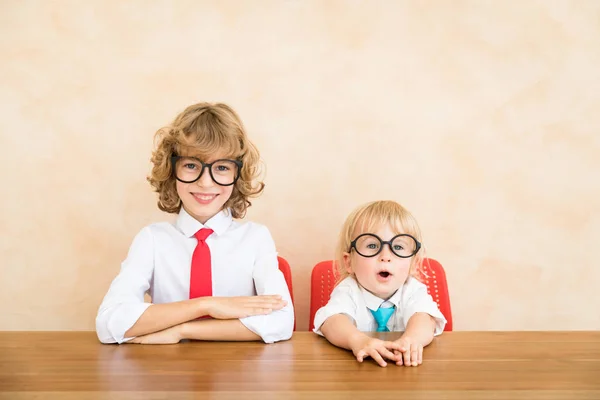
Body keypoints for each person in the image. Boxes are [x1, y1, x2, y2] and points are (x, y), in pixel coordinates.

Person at [96, 102, 294, 344]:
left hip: (237, 372)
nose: (206, 182)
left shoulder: (256, 238)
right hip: (169, 373)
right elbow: (109, 324)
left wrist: (182, 330)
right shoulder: (152, 239)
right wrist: (206, 305)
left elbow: (282, 322)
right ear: (171, 169)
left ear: (236, 175)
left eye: (221, 167)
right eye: (191, 165)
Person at [313, 200, 446, 367]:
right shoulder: (348, 290)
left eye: (397, 247)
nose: (385, 256)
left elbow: (425, 318)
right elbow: (332, 321)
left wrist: (411, 339)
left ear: (414, 264)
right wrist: (358, 340)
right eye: (372, 245)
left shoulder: (412, 289)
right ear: (349, 262)